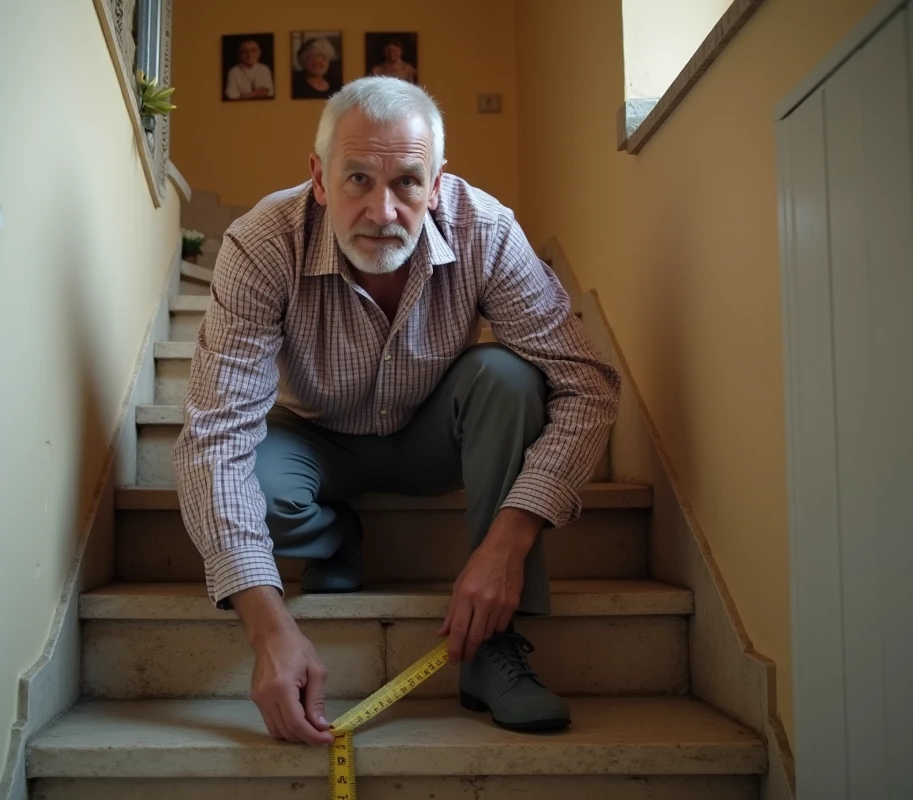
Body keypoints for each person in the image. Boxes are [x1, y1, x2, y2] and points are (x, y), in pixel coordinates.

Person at [172, 76, 620, 746]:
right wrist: (267, 630)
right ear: (319, 179)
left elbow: (588, 384)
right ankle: (336, 534)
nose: (382, 211)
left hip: (433, 437)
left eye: (407, 182)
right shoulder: (261, 243)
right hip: (314, 440)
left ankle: (494, 644)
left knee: (506, 376)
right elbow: (215, 435)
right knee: (248, 485)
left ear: (436, 184)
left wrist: (509, 543)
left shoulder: (486, 230)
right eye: (357, 178)